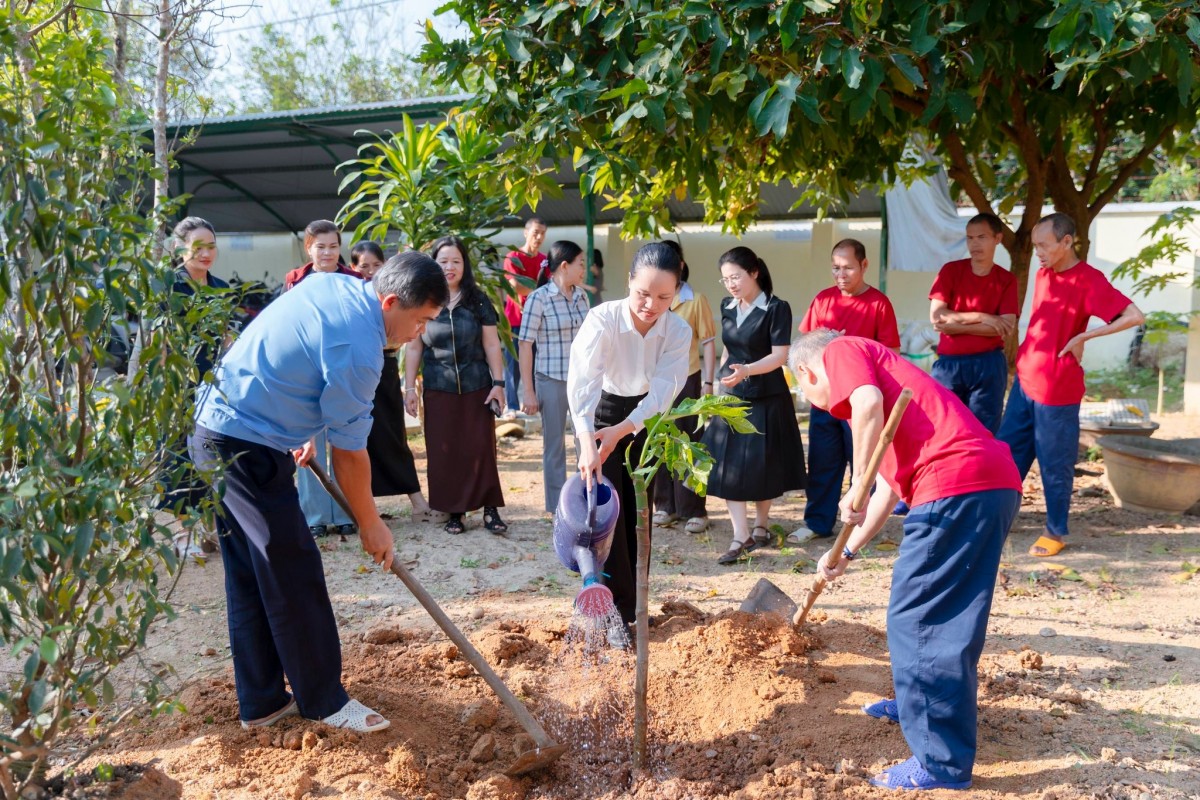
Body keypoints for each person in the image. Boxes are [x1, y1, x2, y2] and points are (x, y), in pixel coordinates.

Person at [189, 252, 447, 733]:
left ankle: (263, 703)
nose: (419, 334)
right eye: (419, 321)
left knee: (252, 573)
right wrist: (372, 525)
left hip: (219, 431)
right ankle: (325, 701)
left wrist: (301, 427)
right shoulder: (362, 348)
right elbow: (350, 456)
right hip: (244, 445)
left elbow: (299, 350)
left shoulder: (337, 285)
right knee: (294, 570)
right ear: (390, 301)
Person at [789, 328, 1022, 791]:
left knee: (918, 621)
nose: (814, 401)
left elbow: (868, 404)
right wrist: (848, 552)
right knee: (943, 617)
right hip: (987, 484)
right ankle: (921, 704)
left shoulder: (842, 350)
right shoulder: (894, 388)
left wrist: (853, 483)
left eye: (805, 390)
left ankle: (940, 761)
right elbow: (888, 490)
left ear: (806, 371)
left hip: (956, 488)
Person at [998, 213, 1144, 557]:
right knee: (1005, 456)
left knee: (1055, 462)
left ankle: (1056, 531)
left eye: (1044, 245)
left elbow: (1134, 315)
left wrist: (1085, 334)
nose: (1038, 252)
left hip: (1057, 390)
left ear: (1067, 242)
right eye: (1035, 246)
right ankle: (995, 518)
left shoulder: (1089, 280)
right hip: (1024, 382)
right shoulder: (1044, 274)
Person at [568, 242, 692, 646]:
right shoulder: (602, 319)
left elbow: (663, 393)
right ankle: (607, 613)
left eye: (663, 297)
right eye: (643, 293)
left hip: (645, 423)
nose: (650, 305)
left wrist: (626, 429)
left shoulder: (677, 330)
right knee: (603, 515)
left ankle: (633, 607)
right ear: (629, 282)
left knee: (639, 515)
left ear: (676, 293)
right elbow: (581, 387)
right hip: (599, 415)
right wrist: (588, 443)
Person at [789, 238, 900, 545]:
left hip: (862, 402)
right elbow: (805, 345)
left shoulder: (878, 303)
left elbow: (891, 352)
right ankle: (817, 523)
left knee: (863, 463)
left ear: (864, 265)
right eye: (835, 268)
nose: (841, 274)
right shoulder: (823, 299)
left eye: (848, 267)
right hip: (825, 400)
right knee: (823, 462)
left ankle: (864, 527)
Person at [702, 246, 805, 563]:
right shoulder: (727, 306)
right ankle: (740, 535)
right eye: (725, 279)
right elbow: (728, 349)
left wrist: (748, 370)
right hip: (732, 395)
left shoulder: (776, 308)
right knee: (727, 465)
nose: (731, 284)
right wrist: (722, 380)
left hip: (767, 395)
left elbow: (780, 355)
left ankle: (761, 525)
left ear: (754, 272)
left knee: (764, 464)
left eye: (736, 277)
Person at [136, 217, 231, 558]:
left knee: (213, 454)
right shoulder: (168, 286)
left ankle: (208, 528)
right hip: (178, 385)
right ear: (179, 247)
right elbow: (157, 341)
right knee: (178, 455)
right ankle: (182, 532)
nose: (206, 253)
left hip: (216, 384)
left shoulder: (220, 287)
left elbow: (227, 338)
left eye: (211, 246)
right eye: (198, 246)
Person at [405, 236, 509, 535]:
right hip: (439, 388)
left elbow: (491, 344)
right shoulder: (422, 300)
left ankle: (490, 510)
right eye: (443, 261)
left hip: (477, 386)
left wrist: (498, 384)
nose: (449, 267)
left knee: (481, 448)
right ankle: (455, 511)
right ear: (433, 265)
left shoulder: (478, 301)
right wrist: (410, 389)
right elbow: (414, 348)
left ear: (465, 265)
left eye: (456, 261)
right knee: (444, 451)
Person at [351, 242, 444, 524]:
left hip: (386, 367)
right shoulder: (353, 312)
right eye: (362, 266)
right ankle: (360, 508)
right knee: (356, 437)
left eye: (375, 265)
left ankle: (416, 499)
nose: (369, 271)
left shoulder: (396, 307)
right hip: (358, 368)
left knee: (392, 434)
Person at [287, 220, 364, 539]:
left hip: (345, 369)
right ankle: (315, 514)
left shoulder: (355, 280)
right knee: (309, 440)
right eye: (321, 246)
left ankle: (347, 510)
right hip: (307, 368)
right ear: (309, 248)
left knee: (345, 441)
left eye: (333, 246)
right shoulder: (296, 280)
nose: (328, 252)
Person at [518, 240, 592, 513]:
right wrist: (528, 390)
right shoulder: (539, 299)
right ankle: (557, 507)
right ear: (564, 266)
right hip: (550, 379)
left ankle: (583, 501)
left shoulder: (583, 297)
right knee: (554, 446)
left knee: (584, 441)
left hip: (582, 380)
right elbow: (525, 344)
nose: (584, 268)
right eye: (580, 263)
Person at [928, 213, 1018, 434]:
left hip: (988, 364)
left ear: (997, 238)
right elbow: (937, 316)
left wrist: (954, 326)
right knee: (944, 429)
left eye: (981, 237)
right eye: (970, 238)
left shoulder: (1006, 280)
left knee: (984, 433)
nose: (974, 244)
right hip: (949, 365)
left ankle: (981, 470)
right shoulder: (950, 271)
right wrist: (984, 317)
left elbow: (1006, 326)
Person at [651, 240, 717, 534]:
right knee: (660, 441)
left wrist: (708, 382)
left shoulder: (696, 299)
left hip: (688, 378)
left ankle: (694, 510)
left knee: (690, 443)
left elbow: (708, 342)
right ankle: (665, 505)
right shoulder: (650, 298)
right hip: (656, 379)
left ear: (679, 266)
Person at [501, 217, 549, 416]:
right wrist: (539, 287)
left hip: (539, 321)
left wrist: (531, 287)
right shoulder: (512, 256)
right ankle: (511, 406)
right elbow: (515, 286)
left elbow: (550, 287)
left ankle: (534, 405)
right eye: (535, 232)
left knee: (538, 364)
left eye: (542, 233)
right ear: (525, 232)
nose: (538, 237)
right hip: (515, 320)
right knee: (513, 366)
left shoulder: (545, 260)